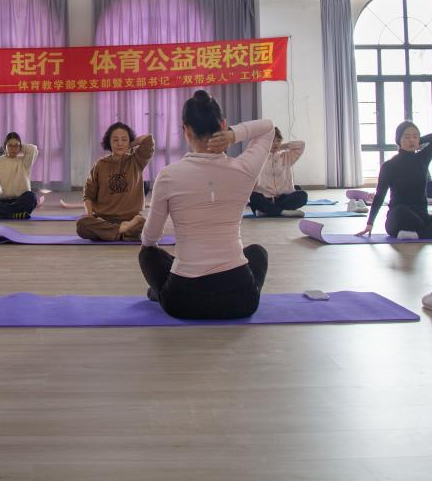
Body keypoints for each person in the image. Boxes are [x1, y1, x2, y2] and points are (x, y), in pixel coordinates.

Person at [140, 90, 272, 320]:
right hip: (241, 299)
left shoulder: (168, 175)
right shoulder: (244, 169)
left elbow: (150, 238)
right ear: (223, 124)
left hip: (182, 301)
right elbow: (268, 128)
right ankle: (165, 286)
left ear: (186, 130)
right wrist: (233, 135)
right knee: (257, 253)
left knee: (148, 255)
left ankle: (160, 291)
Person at [358, 121, 432, 239]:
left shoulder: (423, 158)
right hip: (399, 217)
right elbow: (380, 195)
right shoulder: (389, 166)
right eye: (407, 137)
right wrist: (370, 223)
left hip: (422, 217)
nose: (411, 140)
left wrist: (419, 140)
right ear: (399, 139)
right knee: (401, 210)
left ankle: (419, 234)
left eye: (415, 137)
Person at [77, 123, 155, 241]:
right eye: (115, 140)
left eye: (124, 139)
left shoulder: (136, 161)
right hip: (104, 219)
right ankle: (123, 231)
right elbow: (88, 193)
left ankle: (110, 233)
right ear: (109, 142)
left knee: (145, 225)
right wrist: (89, 216)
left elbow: (148, 139)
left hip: (131, 218)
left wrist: (129, 145)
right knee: (82, 225)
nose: (119, 143)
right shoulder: (100, 165)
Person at [0, 132, 39, 219]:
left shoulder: (24, 161)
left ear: (20, 147)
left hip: (20, 200)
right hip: (1, 201)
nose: (13, 149)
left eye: (16, 146)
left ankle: (3, 213)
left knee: (31, 197)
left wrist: (20, 145)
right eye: (10, 145)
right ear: (5, 146)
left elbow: (33, 149)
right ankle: (15, 214)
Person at [247, 128, 308, 217]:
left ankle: (268, 210)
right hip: (265, 197)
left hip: (282, 198)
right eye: (272, 141)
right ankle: (283, 212)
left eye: (278, 140)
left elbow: (301, 145)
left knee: (302, 195)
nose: (275, 143)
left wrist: (282, 146)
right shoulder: (259, 158)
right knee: (253, 196)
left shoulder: (285, 157)